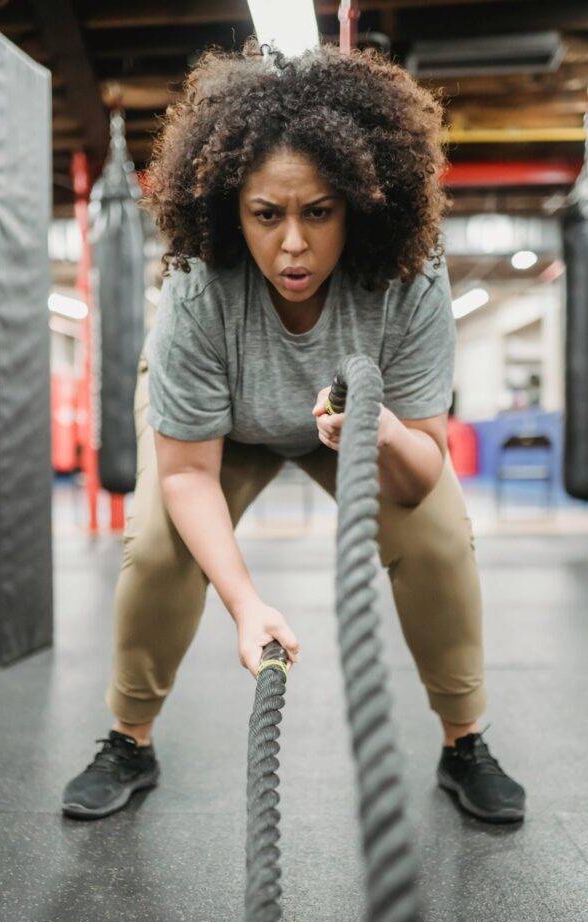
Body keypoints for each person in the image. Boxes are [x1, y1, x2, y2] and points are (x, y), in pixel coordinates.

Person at [62, 41, 525, 825]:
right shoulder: (198, 283)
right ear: (231, 209)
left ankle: (464, 742)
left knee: (440, 536)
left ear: (359, 204)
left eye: (319, 211)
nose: (293, 245)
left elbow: (422, 471)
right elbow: (186, 474)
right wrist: (247, 606)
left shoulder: (410, 274)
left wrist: (378, 433)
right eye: (266, 215)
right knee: (160, 548)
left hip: (355, 429)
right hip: (222, 432)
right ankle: (129, 740)